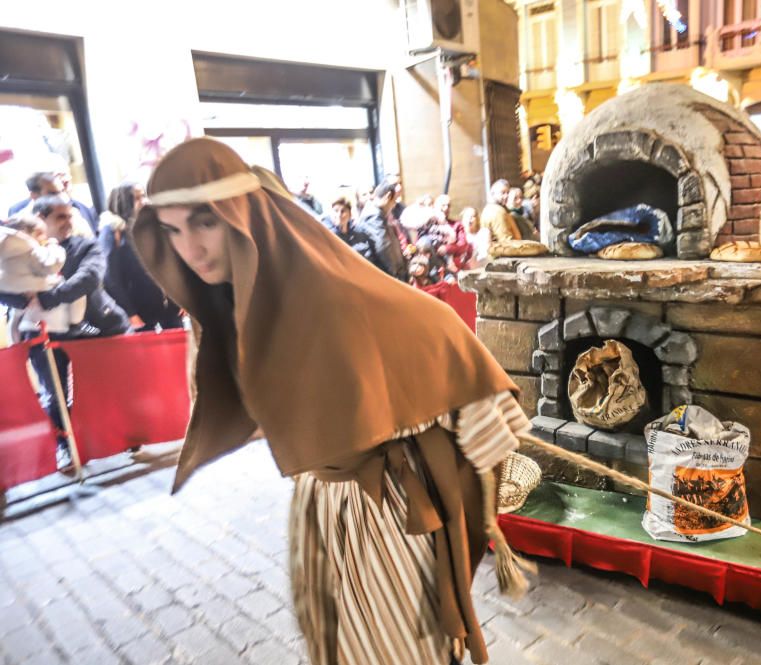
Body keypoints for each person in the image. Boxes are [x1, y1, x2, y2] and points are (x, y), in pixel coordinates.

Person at [132, 137, 532, 665]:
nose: (191, 248)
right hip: (322, 506)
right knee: (342, 646)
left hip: (387, 515)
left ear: (244, 215)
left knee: (397, 651)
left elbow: (445, 345)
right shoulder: (224, 305)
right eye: (172, 230)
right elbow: (286, 408)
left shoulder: (341, 298)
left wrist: (460, 436)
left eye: (204, 222)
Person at [0, 194, 129, 467]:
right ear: (41, 219)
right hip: (41, 332)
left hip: (89, 327)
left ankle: (117, 434)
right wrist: (26, 300)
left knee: (102, 387)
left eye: (70, 215)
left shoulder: (85, 245)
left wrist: (46, 297)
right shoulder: (20, 253)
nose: (68, 222)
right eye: (60, 217)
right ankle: (65, 445)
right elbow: (4, 289)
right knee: (55, 393)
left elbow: (90, 277)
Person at [99, 182, 183, 331]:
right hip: (139, 309)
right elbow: (111, 277)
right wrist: (129, 312)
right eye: (136, 198)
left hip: (169, 305)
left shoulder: (154, 224)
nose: (143, 201)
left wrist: (183, 298)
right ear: (123, 201)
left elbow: (172, 264)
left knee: (180, 348)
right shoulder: (113, 230)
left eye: (143, 196)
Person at [0, 215, 86, 338]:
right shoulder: (31, 250)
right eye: (42, 234)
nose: (45, 237)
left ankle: (15, 340)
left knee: (16, 318)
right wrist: (53, 247)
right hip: (47, 318)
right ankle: (77, 323)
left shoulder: (5, 250)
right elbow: (52, 263)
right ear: (33, 234)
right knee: (76, 290)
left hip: (19, 299)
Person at [356, 181, 408, 281]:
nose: (393, 206)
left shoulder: (378, 213)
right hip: (388, 275)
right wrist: (394, 273)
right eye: (394, 201)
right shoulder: (373, 216)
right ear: (388, 196)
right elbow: (383, 246)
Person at [480, 179, 521, 247]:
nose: (506, 196)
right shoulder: (497, 212)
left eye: (508, 192)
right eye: (503, 192)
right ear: (493, 194)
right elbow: (506, 241)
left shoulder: (490, 209)